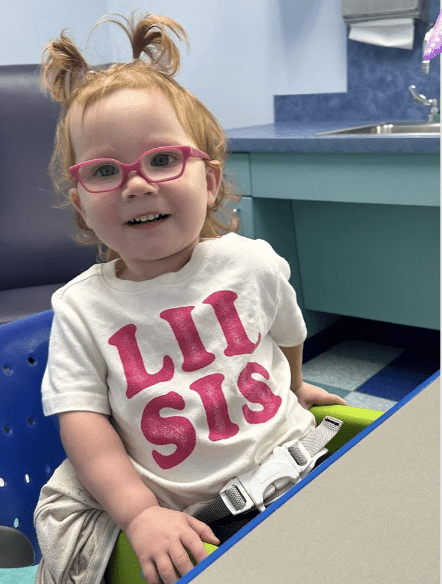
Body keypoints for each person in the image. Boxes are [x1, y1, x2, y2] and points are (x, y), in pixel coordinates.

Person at [36, 12, 347, 584]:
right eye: (105, 170)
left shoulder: (251, 263)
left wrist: (296, 384)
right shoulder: (81, 309)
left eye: (161, 160)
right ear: (82, 205)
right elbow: (84, 424)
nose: (136, 183)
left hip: (282, 468)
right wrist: (140, 515)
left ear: (208, 180)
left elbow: (288, 331)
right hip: (183, 516)